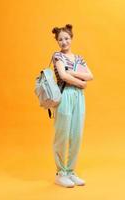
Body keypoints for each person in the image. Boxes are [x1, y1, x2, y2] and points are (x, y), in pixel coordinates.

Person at [51, 24, 94, 188]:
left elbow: (90, 75)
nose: (64, 42)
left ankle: (70, 171)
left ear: (71, 38)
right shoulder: (57, 56)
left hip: (79, 98)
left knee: (76, 134)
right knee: (62, 134)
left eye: (66, 38)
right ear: (57, 41)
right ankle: (60, 173)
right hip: (65, 96)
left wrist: (72, 74)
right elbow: (62, 75)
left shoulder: (79, 58)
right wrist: (81, 84)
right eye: (60, 39)